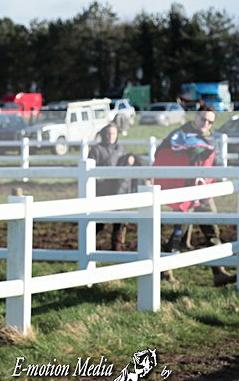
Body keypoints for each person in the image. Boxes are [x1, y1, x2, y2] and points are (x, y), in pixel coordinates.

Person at [154, 105, 236, 286]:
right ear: (195, 117)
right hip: (186, 192)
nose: (205, 123)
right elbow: (167, 152)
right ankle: (165, 271)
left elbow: (210, 162)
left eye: (209, 121)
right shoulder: (179, 134)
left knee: (213, 231)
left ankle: (219, 272)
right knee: (178, 233)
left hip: (204, 191)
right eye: (203, 119)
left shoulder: (209, 137)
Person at [88, 122, 136, 251]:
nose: (111, 136)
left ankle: (117, 246)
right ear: (104, 134)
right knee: (99, 221)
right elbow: (91, 170)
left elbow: (124, 166)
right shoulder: (96, 150)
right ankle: (88, 244)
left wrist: (129, 158)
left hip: (117, 189)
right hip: (102, 189)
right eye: (108, 133)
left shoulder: (120, 149)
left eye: (113, 133)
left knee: (119, 219)